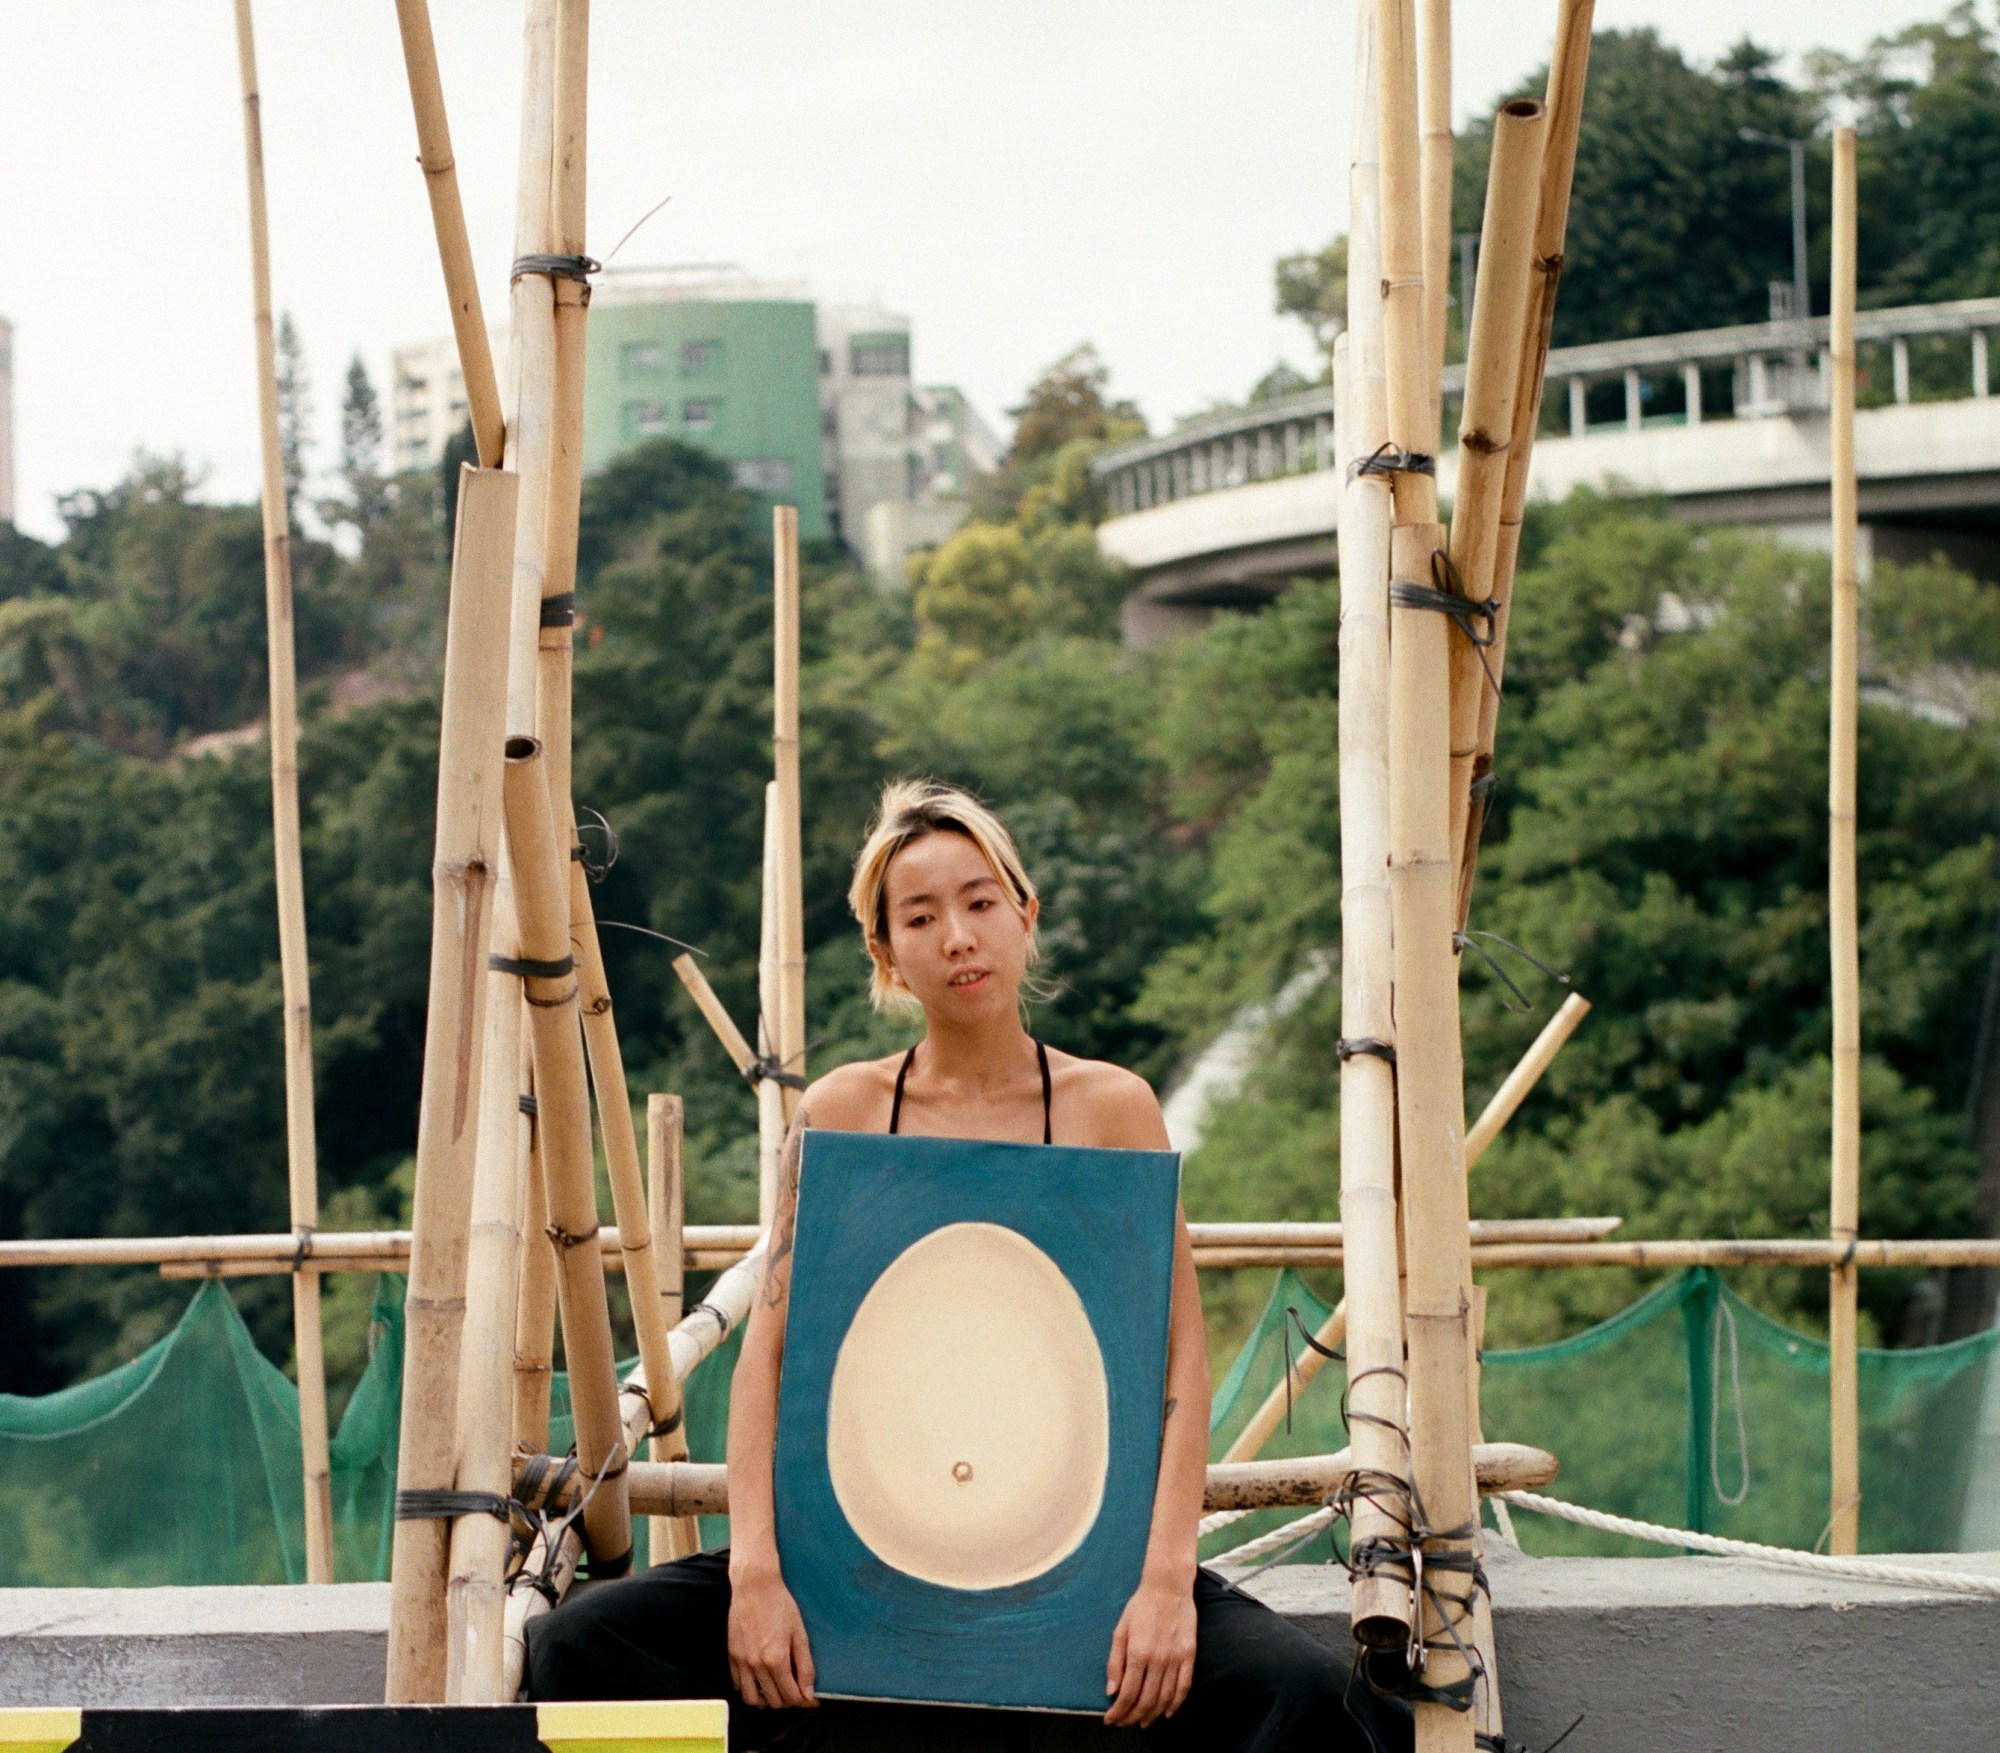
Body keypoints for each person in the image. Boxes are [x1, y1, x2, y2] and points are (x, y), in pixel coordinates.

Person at [529, 779, 1411, 1753]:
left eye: (979, 901)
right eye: (920, 915)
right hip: (853, 1565)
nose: (957, 935)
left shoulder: (1108, 1107)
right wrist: (757, 1577)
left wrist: (1163, 1585)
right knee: (581, 1644)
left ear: (1024, 915)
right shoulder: (841, 1112)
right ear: (885, 953)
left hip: (1085, 1563)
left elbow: (1178, 1367)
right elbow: (765, 1363)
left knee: (1302, 1697)